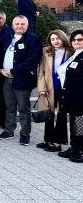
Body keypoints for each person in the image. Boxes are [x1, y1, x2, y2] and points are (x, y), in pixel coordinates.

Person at [0, 15, 43, 146]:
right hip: (6, 78)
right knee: (9, 107)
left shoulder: (32, 40)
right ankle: (9, 131)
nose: (19, 26)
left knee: (23, 108)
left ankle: (25, 134)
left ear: (27, 26)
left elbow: (33, 60)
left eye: (22, 24)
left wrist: (14, 72)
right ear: (12, 25)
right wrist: (0, 69)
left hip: (22, 79)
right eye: (17, 24)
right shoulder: (7, 38)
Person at [37, 30, 73, 152]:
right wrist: (41, 88)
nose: (55, 41)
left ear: (63, 38)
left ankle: (58, 142)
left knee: (62, 115)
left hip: (65, 87)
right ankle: (48, 140)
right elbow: (41, 71)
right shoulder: (45, 51)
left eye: (57, 38)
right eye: (52, 39)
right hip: (49, 87)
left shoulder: (71, 51)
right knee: (48, 114)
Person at [60, 30, 83, 163]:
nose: (76, 42)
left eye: (80, 40)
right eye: (74, 40)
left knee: (79, 125)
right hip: (71, 97)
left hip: (80, 99)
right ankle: (74, 147)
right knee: (74, 124)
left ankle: (80, 150)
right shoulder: (74, 54)